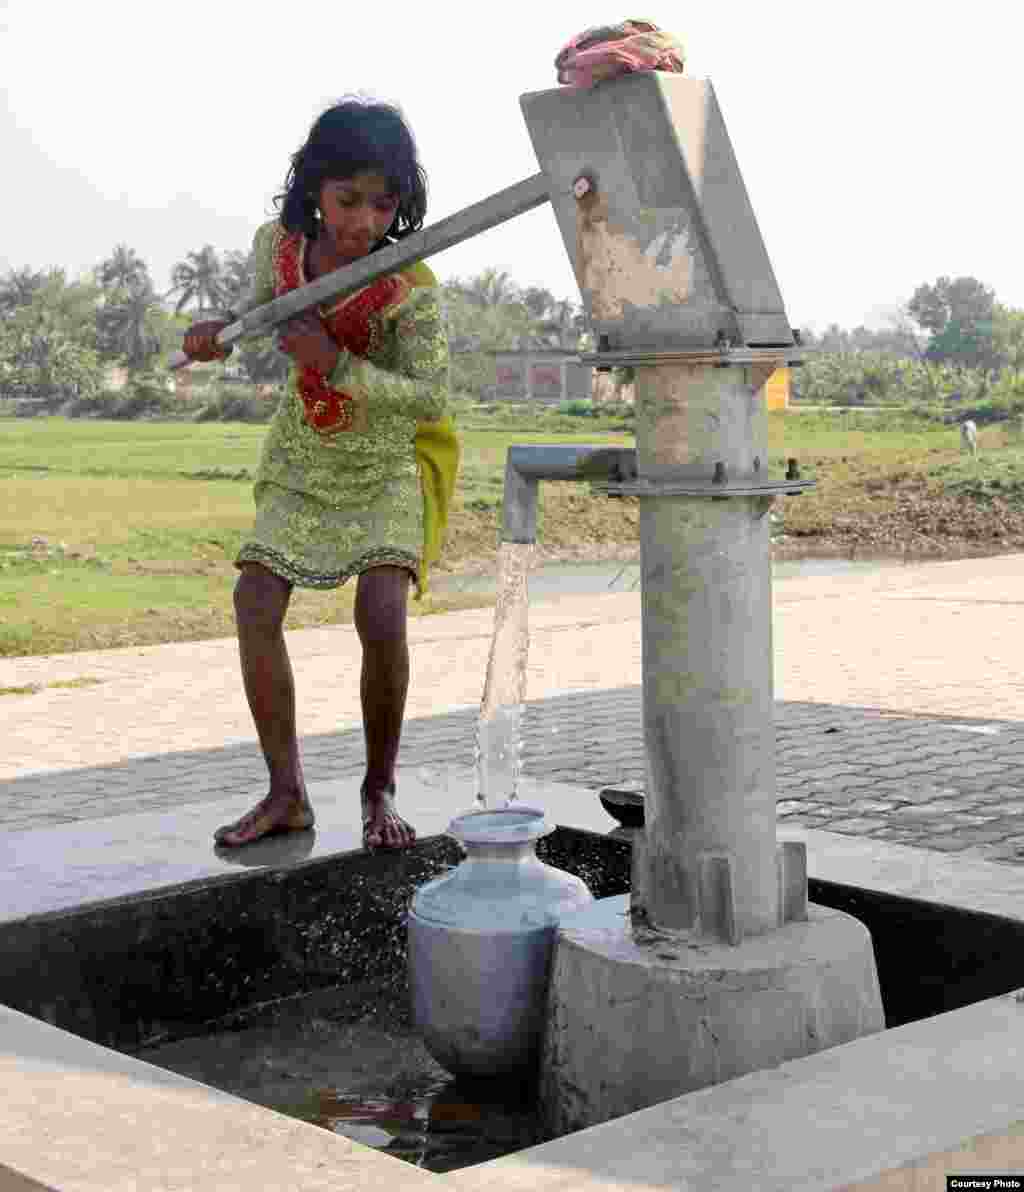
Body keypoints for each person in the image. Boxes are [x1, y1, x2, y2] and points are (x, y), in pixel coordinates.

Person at [181, 95, 460, 852]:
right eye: (348, 199)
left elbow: (430, 397)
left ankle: (379, 790)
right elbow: (259, 314)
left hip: (383, 464)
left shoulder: (412, 286)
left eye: (383, 203)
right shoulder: (278, 246)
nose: (365, 221)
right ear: (314, 189)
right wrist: (218, 333)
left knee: (382, 613)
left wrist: (335, 364)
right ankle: (286, 793)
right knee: (254, 600)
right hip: (303, 453)